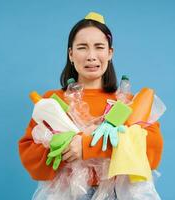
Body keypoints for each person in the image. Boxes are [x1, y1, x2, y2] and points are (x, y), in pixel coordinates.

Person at [18, 12, 163, 199]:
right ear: (71, 54)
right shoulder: (53, 101)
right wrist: (64, 148)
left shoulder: (127, 102)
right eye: (82, 47)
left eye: (99, 47)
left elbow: (151, 149)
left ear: (110, 53)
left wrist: (87, 146)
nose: (91, 56)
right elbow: (29, 155)